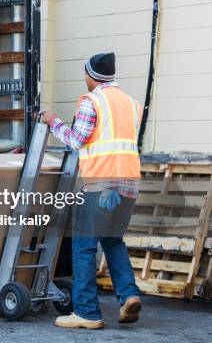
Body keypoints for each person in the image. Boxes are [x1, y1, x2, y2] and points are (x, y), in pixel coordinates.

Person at [41, 52, 142, 329]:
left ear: (91, 76)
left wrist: (53, 122)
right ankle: (129, 295)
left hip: (100, 183)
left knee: (84, 247)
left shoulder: (92, 101)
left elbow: (77, 140)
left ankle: (87, 313)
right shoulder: (131, 103)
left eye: (84, 74)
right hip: (129, 183)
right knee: (112, 241)